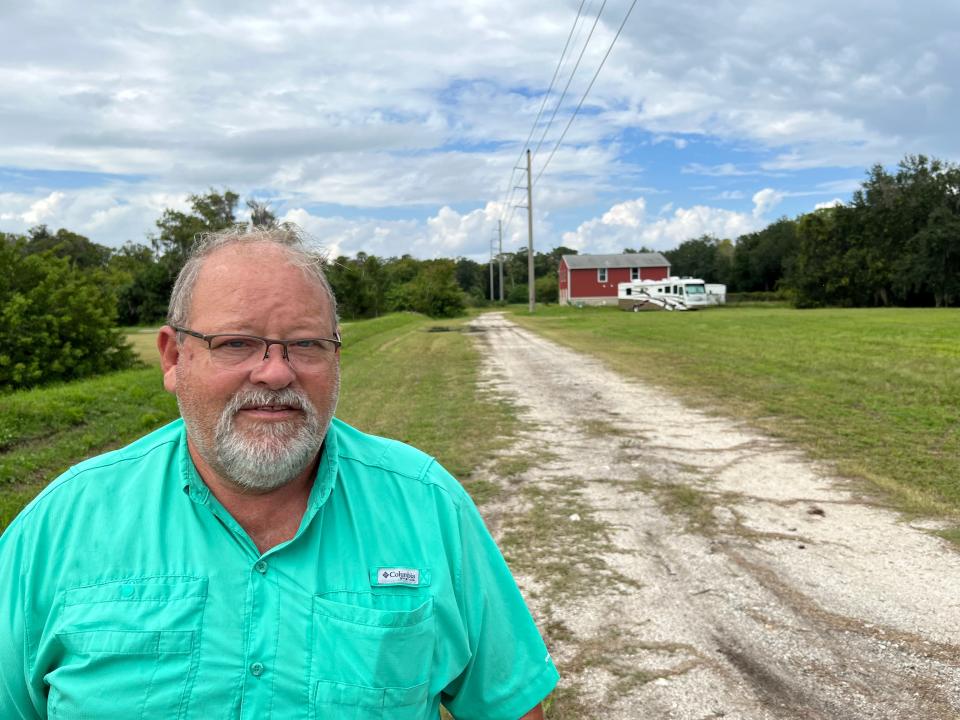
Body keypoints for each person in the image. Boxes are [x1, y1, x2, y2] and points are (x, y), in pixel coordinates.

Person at [0, 227, 559, 719]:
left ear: (335, 358)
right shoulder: (60, 525)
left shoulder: (427, 504)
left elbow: (506, 703)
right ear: (173, 359)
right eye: (236, 343)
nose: (273, 372)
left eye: (305, 345)